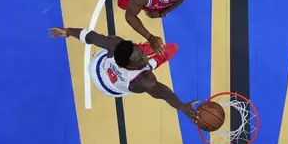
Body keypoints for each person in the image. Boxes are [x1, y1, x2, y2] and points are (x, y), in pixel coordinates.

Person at [48, 26, 199, 124]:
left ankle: (142, 54)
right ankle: (155, 62)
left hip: (100, 66)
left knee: (113, 39)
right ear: (127, 65)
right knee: (167, 52)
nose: (143, 57)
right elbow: (164, 93)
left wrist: (68, 32)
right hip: (109, 86)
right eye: (139, 60)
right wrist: (181, 106)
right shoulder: (144, 81)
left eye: (140, 53)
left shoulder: (115, 44)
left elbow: (90, 36)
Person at [116, 0, 191, 54]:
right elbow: (129, 16)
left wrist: (163, 13)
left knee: (157, 4)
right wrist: (150, 37)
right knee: (123, 3)